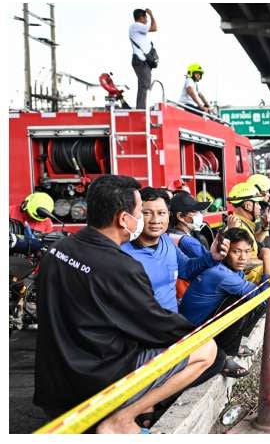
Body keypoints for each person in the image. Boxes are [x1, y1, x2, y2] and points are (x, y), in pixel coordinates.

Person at [33, 175, 223, 433]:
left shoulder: (58, 250)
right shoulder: (122, 266)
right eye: (141, 213)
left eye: (160, 212)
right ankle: (120, 420)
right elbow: (157, 326)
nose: (149, 220)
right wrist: (200, 334)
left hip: (53, 383)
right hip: (94, 383)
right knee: (206, 350)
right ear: (124, 219)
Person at [180, 228, 270, 378]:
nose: (243, 258)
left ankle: (234, 344)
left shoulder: (231, 268)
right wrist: (267, 260)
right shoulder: (221, 274)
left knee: (249, 299)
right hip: (192, 333)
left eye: (247, 251)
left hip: (202, 323)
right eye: (236, 252)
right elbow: (263, 297)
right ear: (225, 252)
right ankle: (222, 356)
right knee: (246, 301)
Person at [121, 188, 226, 313]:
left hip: (172, 326)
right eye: (147, 213)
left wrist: (212, 257)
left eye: (161, 213)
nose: (155, 220)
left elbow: (186, 269)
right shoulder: (122, 253)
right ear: (136, 215)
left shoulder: (166, 241)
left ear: (169, 215)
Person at [227, 182, 268, 284]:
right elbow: (237, 263)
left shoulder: (244, 224)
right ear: (248, 206)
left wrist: (265, 227)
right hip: (247, 284)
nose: (259, 207)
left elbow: (254, 242)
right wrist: (267, 261)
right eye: (257, 203)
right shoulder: (239, 227)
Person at [167, 192, 211, 259]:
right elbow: (211, 263)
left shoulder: (169, 234)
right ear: (180, 216)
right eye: (195, 211)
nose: (200, 214)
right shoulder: (190, 243)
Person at [129, 8, 157, 110]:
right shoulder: (136, 25)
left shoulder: (138, 28)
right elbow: (154, 27)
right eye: (146, 17)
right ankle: (141, 109)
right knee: (144, 86)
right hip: (140, 61)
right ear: (141, 18)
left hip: (143, 62)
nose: (147, 19)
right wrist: (151, 14)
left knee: (145, 85)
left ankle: (142, 108)